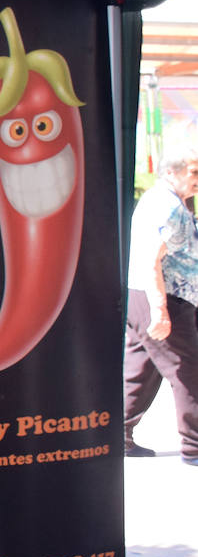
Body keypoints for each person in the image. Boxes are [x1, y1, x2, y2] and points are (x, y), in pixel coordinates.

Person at [123, 147, 198, 465]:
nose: (196, 180)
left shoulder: (163, 199)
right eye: (193, 173)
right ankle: (194, 446)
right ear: (172, 171)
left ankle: (116, 435)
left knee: (140, 370)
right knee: (189, 371)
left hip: (147, 296)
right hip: (162, 297)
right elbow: (152, 260)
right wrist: (160, 310)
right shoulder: (167, 206)